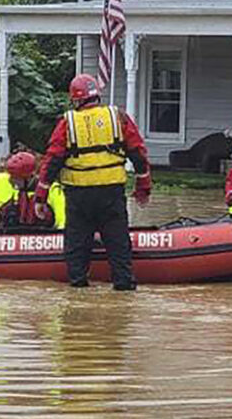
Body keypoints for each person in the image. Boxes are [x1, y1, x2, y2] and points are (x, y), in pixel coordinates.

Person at [33, 73, 152, 291]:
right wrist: (143, 188)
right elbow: (138, 154)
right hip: (111, 193)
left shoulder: (67, 123)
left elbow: (53, 160)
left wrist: (41, 196)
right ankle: (124, 286)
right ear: (97, 95)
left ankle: (78, 290)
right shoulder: (119, 117)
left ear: (76, 99)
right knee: (118, 245)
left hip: (79, 196)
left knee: (77, 246)